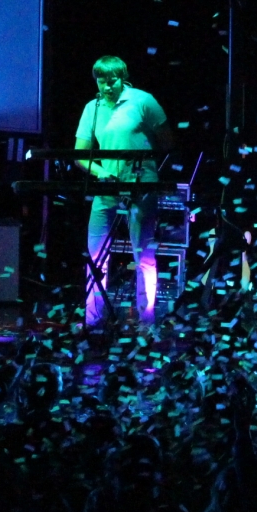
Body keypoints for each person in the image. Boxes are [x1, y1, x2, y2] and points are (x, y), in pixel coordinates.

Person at [74, 56, 171, 327]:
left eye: (112, 80)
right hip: (107, 188)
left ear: (122, 77)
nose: (106, 87)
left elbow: (168, 142)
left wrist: (147, 167)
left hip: (140, 187)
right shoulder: (91, 108)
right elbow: (80, 155)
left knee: (143, 255)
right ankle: (93, 319)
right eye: (101, 81)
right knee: (95, 255)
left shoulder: (142, 101)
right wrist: (101, 172)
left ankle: (146, 320)